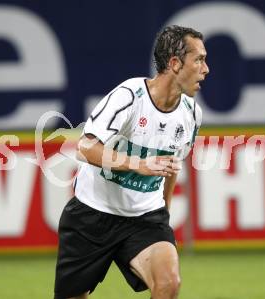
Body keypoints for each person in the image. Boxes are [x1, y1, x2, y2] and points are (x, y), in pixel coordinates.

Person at [53, 25, 209, 299]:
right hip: (92, 214)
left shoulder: (191, 114)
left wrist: (165, 214)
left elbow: (171, 166)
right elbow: (85, 147)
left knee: (169, 283)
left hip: (145, 219)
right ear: (174, 63)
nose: (206, 69)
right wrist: (138, 164)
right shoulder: (129, 96)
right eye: (198, 59)